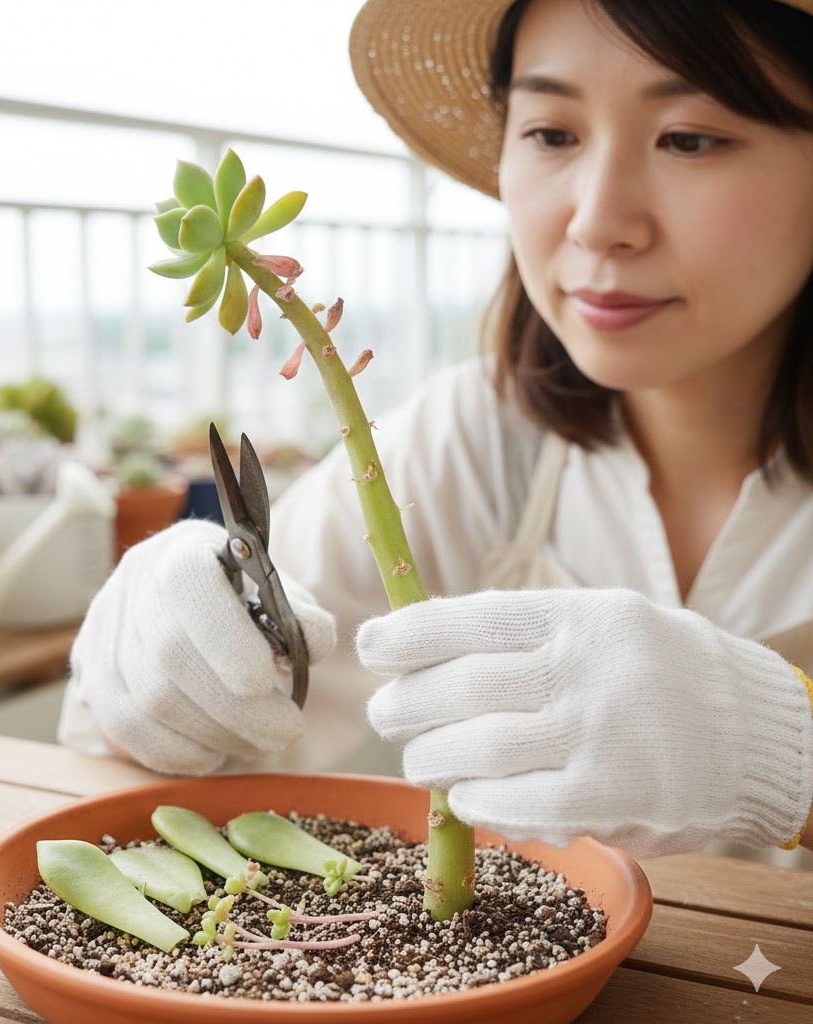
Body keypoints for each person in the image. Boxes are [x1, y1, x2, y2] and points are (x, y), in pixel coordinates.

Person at [59, 0, 813, 866]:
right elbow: (179, 751)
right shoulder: (472, 433)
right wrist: (151, 668)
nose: (597, 222)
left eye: (689, 138)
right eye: (551, 133)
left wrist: (787, 748)